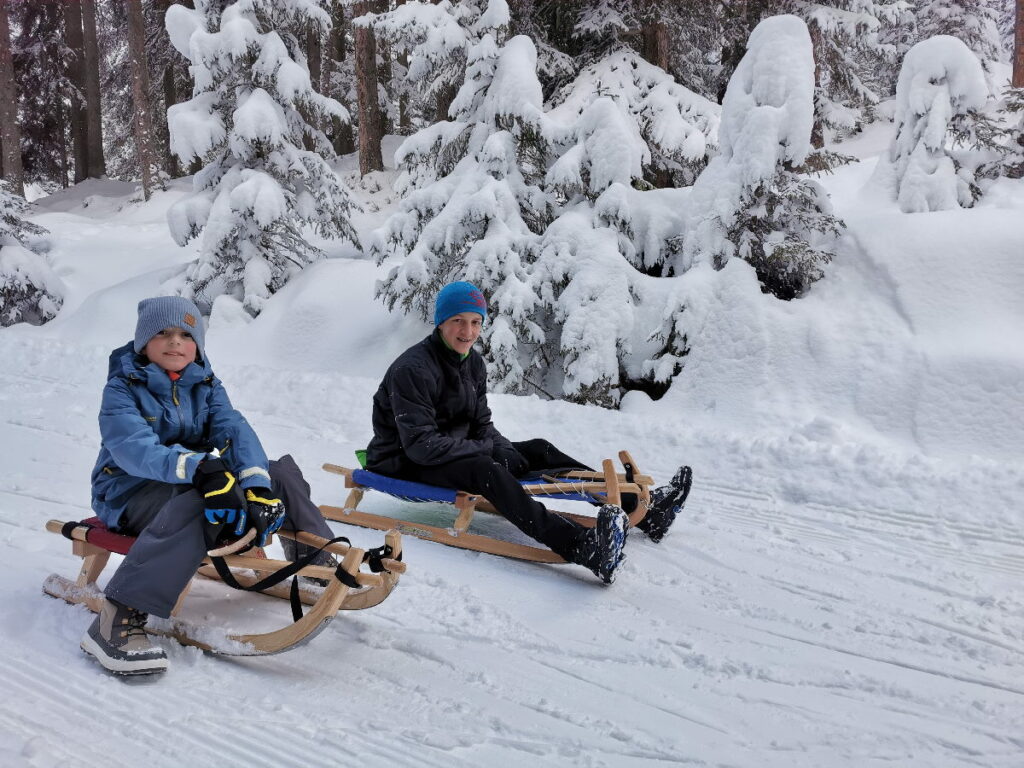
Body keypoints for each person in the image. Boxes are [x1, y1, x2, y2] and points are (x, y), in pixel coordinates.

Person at [365, 281, 692, 584]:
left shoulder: (472, 364)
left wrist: (502, 448)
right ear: (440, 322)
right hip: (404, 460)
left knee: (537, 449)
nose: (468, 331)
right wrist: (484, 451)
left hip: (452, 450)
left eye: (476, 322)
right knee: (485, 469)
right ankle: (581, 547)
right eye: (458, 321)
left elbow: (481, 424)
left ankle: (643, 511)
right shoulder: (414, 369)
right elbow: (421, 446)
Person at [83, 296, 337, 675]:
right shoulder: (123, 388)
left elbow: (234, 430)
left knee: (278, 473)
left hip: (198, 482)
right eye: (163, 333)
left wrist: (256, 486)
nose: (175, 342)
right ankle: (116, 617)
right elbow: (134, 449)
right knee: (196, 502)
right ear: (143, 342)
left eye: (186, 334)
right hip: (127, 493)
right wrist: (202, 470)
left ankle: (316, 564)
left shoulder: (205, 383)